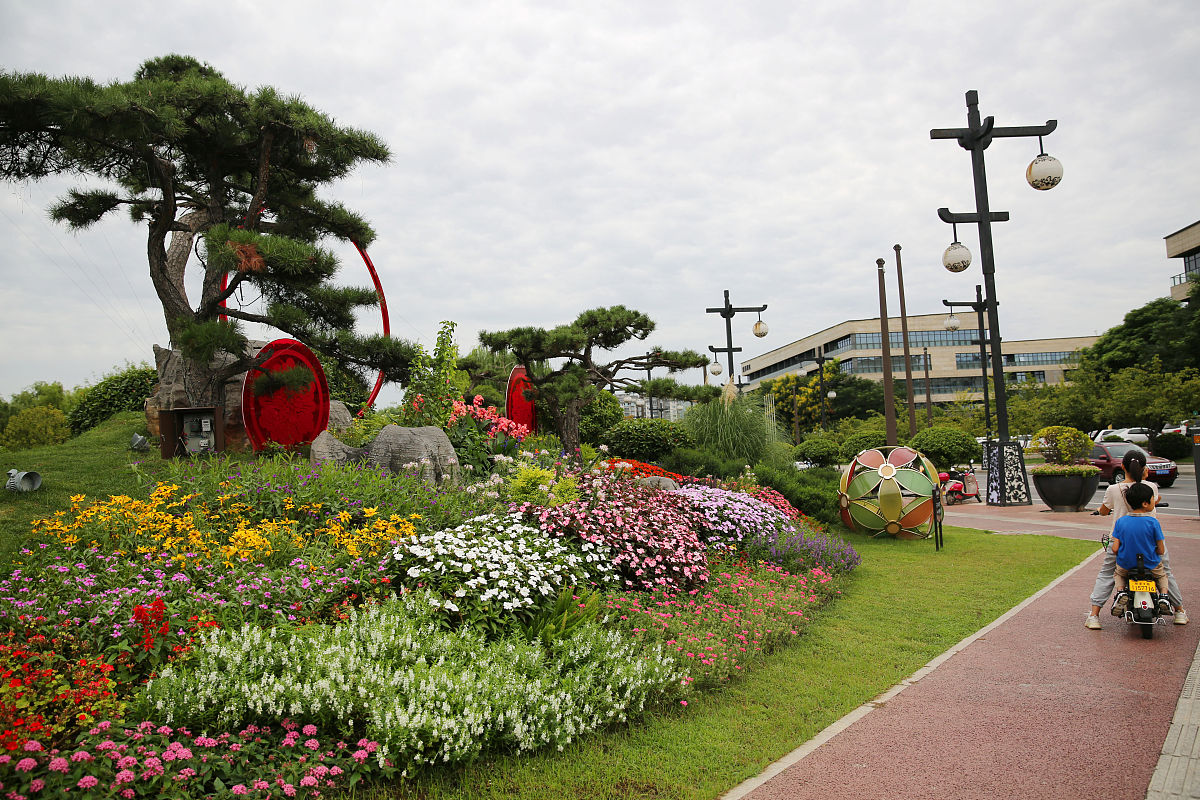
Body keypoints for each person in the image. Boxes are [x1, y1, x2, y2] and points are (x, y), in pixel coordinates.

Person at [1084, 449, 1188, 629]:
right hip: (1150, 544)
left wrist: (1102, 512)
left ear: (1123, 466)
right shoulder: (1151, 487)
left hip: (1121, 543)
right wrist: (1145, 477)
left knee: (1107, 573)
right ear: (1144, 468)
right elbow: (1156, 498)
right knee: (1166, 573)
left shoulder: (1113, 489)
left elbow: (1103, 510)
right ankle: (1179, 611)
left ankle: (1094, 615)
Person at [1110, 481, 1170, 615]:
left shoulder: (1121, 522)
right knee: (1162, 576)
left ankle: (1121, 592)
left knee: (1118, 574)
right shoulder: (1153, 522)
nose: (1154, 501)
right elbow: (1161, 550)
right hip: (1150, 564)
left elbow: (1114, 549)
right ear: (1145, 503)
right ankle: (1164, 596)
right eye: (1152, 499)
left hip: (1127, 564)